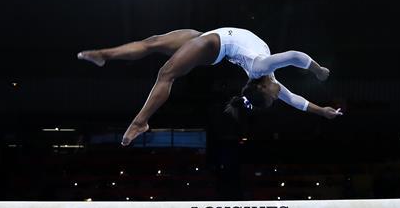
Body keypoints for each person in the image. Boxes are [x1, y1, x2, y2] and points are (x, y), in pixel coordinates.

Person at [78, 27, 343, 146]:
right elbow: (296, 60)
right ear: (264, 89)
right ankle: (104, 54)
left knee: (166, 73)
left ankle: (140, 122)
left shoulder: (261, 72)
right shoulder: (263, 69)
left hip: (213, 44)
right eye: (275, 98)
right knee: (153, 44)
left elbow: (294, 94)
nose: (279, 95)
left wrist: (318, 93)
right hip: (210, 39)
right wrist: (319, 80)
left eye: (275, 98)